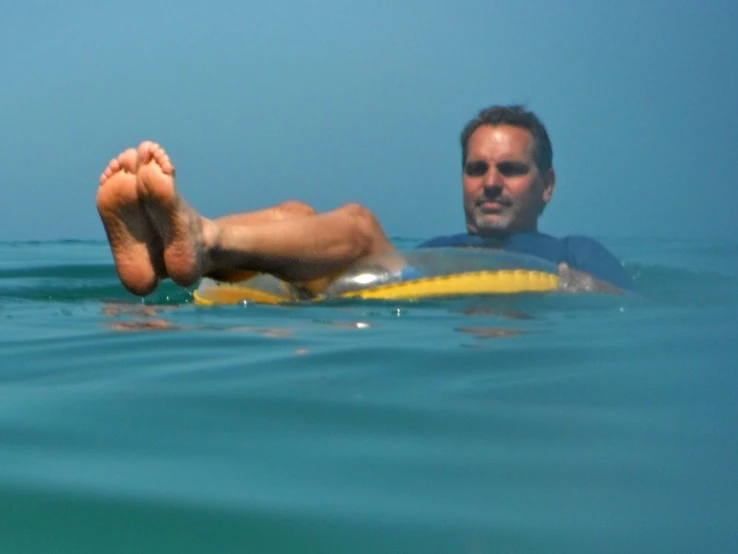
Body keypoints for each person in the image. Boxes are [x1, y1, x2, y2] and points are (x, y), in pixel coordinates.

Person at [96, 105, 633, 298]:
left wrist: (575, 285)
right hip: (382, 296)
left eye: (511, 169)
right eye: (476, 169)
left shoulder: (574, 248)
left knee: (358, 223)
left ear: (548, 185)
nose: (490, 182)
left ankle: (198, 236)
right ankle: (166, 250)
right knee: (298, 215)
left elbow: (635, 309)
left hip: (410, 315)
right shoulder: (437, 248)